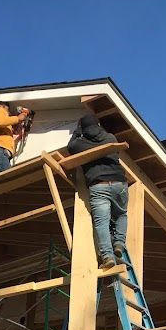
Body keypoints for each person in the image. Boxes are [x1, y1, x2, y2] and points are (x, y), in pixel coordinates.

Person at [67, 114, 129, 268]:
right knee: (121, 214)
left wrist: (77, 131)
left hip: (98, 185)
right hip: (118, 183)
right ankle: (119, 243)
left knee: (102, 222)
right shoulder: (111, 138)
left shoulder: (80, 144)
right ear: (99, 124)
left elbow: (70, 146)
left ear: (83, 128)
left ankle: (107, 256)